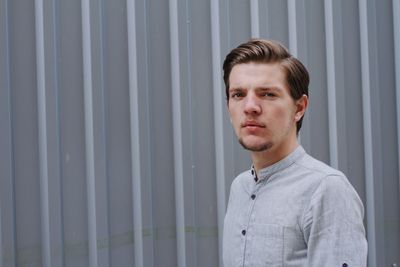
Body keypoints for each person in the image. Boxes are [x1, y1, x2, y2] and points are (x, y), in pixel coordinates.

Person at [222, 39, 368, 267]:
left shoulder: (326, 190)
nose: (250, 106)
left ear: (299, 108)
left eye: (268, 94)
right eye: (238, 94)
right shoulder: (239, 188)